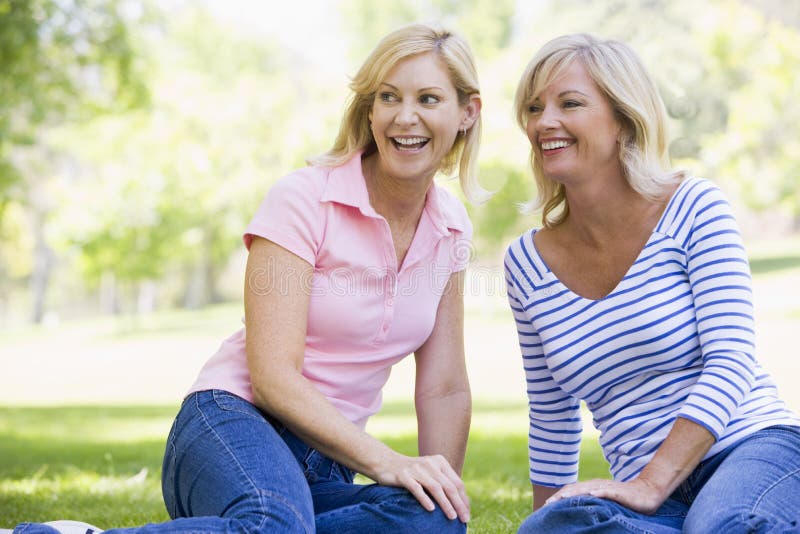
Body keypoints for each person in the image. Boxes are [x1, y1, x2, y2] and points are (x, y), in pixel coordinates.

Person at [12, 22, 483, 534]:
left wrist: (441, 490)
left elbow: (444, 387)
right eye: (388, 97)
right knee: (275, 522)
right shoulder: (305, 199)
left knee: (431, 523)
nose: (404, 116)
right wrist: (385, 461)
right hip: (232, 424)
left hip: (327, 463)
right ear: (370, 111)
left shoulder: (451, 228)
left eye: (428, 98)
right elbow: (273, 375)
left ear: (466, 113)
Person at [504, 33, 800, 533]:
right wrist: (548, 520)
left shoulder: (694, 207)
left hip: (750, 449)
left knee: (724, 525)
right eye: (534, 108)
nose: (544, 121)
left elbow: (731, 360)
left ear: (623, 119)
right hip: (648, 494)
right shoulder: (524, 264)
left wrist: (652, 482)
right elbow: (552, 418)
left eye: (569, 103)